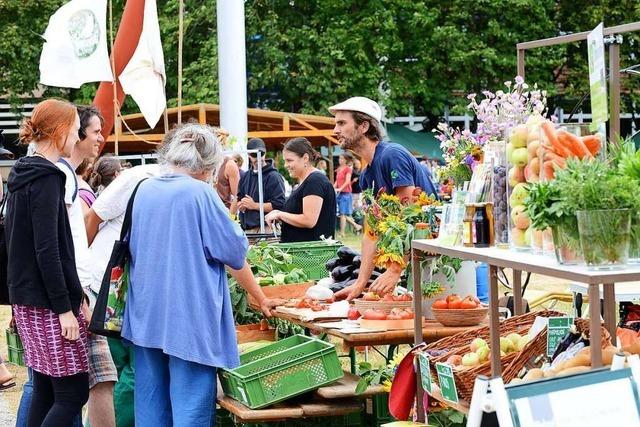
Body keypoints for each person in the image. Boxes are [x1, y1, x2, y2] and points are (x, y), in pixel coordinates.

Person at [121, 123, 281, 426]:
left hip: (146, 315)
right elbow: (234, 253)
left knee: (151, 405)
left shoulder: (143, 189)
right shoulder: (199, 194)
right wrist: (259, 296)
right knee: (191, 408)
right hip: (188, 318)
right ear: (210, 164)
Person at [6, 99, 89, 426]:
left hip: (28, 298)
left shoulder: (23, 173)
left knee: (44, 387)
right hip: (48, 303)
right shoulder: (47, 177)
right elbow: (48, 249)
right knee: (71, 393)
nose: (78, 136)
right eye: (75, 129)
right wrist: (64, 308)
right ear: (59, 132)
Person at [329, 97, 438, 300]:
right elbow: (371, 233)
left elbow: (412, 215)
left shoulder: (391, 155)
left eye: (341, 123)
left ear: (363, 126)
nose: (335, 130)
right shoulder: (366, 176)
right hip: (415, 260)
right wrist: (359, 284)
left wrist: (395, 270)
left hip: (437, 259)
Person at [86, 162, 163, 427]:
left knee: (122, 370)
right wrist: (81, 275)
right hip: (112, 285)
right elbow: (92, 218)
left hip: (128, 287)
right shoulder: (138, 177)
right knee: (128, 369)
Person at [57, 105, 118, 427]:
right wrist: (75, 298)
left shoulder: (67, 177)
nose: (100, 138)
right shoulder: (66, 179)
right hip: (77, 292)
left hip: (76, 290)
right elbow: (60, 242)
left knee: (55, 387)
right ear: (75, 133)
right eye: (95, 131)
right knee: (87, 384)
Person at [265, 137, 336, 242]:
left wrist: (280, 214)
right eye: (285, 161)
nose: (285, 165)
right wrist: (279, 214)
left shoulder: (315, 181)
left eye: (289, 160)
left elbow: (309, 220)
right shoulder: (307, 181)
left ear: (305, 158)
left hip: (311, 255)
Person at [237, 138, 286, 233]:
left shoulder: (273, 176)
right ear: (248, 155)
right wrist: (242, 205)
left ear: (265, 152)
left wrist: (254, 205)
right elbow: (239, 199)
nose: (259, 157)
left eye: (261, 153)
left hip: (267, 228)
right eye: (254, 155)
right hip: (248, 230)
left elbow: (279, 205)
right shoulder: (245, 176)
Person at [334, 153, 362, 237]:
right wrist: (332, 187)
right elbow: (337, 181)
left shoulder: (348, 169)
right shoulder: (339, 169)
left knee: (342, 214)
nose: (340, 160)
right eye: (339, 158)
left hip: (346, 193)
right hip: (339, 193)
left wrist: (340, 188)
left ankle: (342, 233)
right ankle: (357, 226)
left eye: (342, 158)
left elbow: (347, 181)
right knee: (341, 214)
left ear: (346, 160)